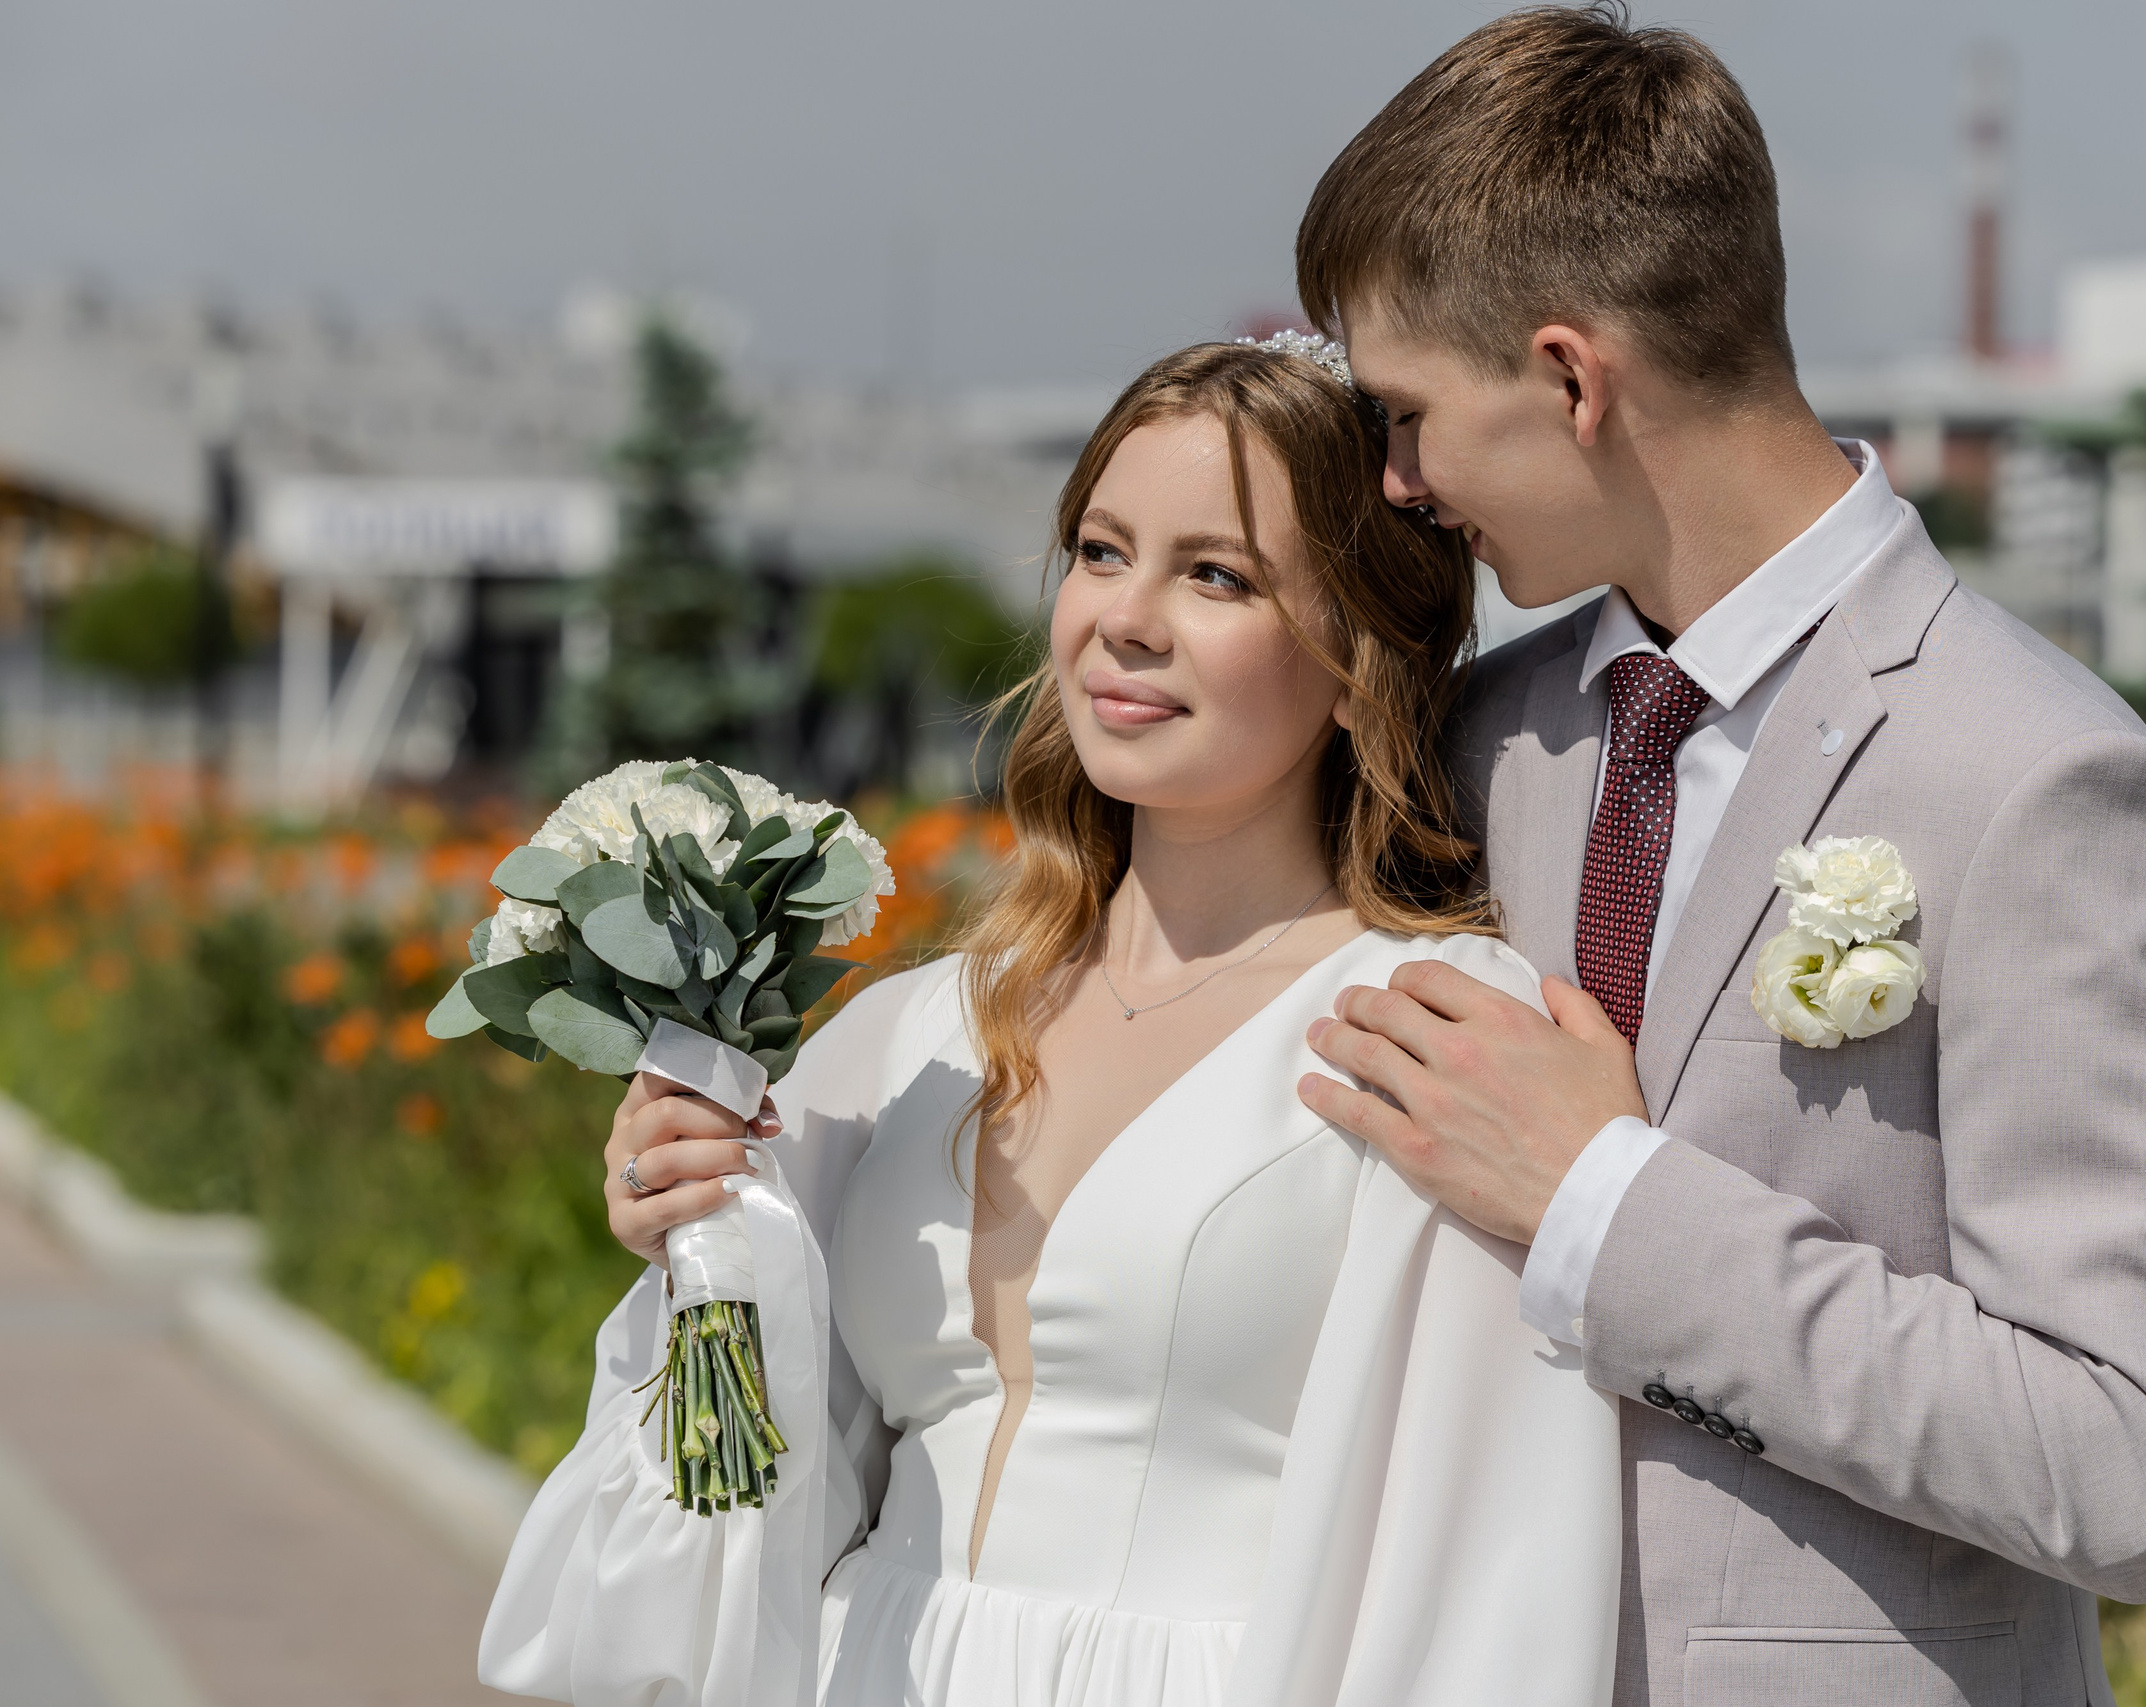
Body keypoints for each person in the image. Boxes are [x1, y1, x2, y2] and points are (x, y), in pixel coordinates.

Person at [1290, 8, 2146, 1705]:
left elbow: (2131, 1463)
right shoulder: (1468, 737)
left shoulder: (2038, 777)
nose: (1399, 483)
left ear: (1575, 378)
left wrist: (1608, 1204)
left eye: (1409, 415)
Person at [477, 338, 1623, 1707]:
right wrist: (697, 1242)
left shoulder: (1431, 1030)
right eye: (1099, 549)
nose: (1124, 619)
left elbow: (1486, 1578)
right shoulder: (898, 1035)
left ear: (1359, 645)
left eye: (1217, 574)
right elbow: (741, 1491)